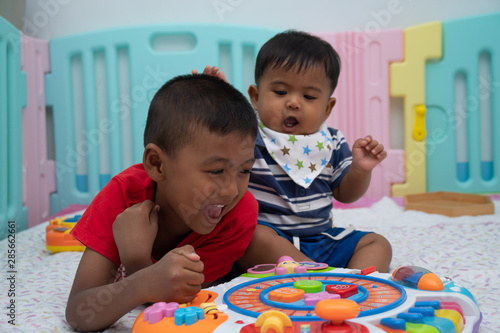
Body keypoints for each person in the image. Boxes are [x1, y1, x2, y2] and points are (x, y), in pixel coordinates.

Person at [65, 74, 258, 331]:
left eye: (244, 171)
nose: (232, 190)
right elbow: (80, 313)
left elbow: (183, 305)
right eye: (216, 171)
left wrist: (137, 263)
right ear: (157, 164)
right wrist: (142, 281)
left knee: (263, 238)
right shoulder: (122, 197)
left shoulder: (240, 213)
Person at [200, 30, 392, 273]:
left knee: (377, 244)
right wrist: (219, 102)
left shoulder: (331, 142)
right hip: (271, 243)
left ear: (327, 108)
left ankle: (357, 282)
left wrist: (360, 170)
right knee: (251, 237)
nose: (293, 103)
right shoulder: (248, 136)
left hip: (322, 240)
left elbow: (345, 194)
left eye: (309, 96)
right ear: (256, 98)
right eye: (280, 93)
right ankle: (319, 277)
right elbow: (218, 139)